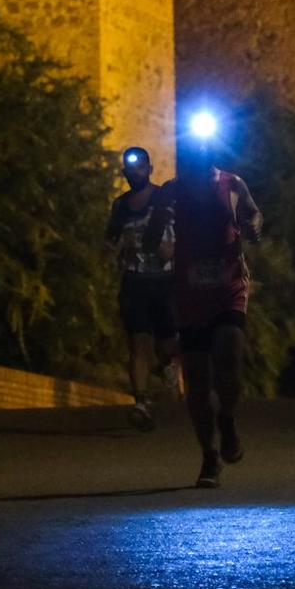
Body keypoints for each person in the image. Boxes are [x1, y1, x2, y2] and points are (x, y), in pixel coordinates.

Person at [146, 124, 262, 488]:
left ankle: (227, 418)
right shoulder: (172, 190)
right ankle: (209, 456)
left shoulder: (232, 183)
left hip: (228, 285)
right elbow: (151, 241)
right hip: (190, 291)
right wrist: (160, 222)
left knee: (229, 352)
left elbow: (253, 213)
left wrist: (253, 226)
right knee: (196, 376)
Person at [104, 146, 175, 430]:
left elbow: (184, 238)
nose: (135, 172)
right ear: (124, 173)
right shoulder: (120, 207)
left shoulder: (165, 200)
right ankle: (141, 403)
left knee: (167, 343)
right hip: (134, 281)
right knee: (137, 342)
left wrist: (167, 248)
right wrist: (110, 257)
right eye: (130, 168)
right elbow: (108, 242)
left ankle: (169, 363)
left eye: (140, 166)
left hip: (164, 281)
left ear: (150, 169)